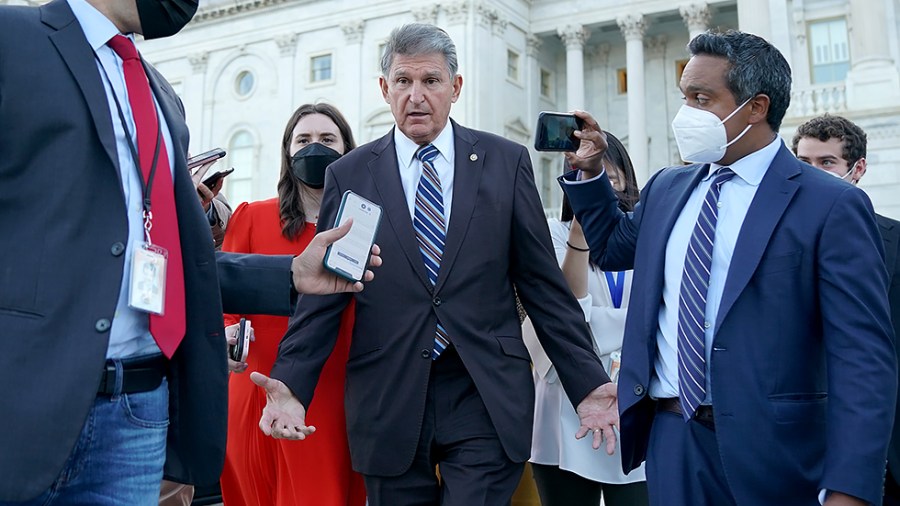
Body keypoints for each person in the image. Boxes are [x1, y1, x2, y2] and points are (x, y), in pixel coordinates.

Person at [0, 0, 381, 503]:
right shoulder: (13, 36)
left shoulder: (160, 95)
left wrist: (290, 273)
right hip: (27, 397)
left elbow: (179, 259)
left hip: (139, 406)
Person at [250, 23, 618, 506]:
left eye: (431, 81)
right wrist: (293, 384)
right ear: (385, 89)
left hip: (484, 390)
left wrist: (588, 383)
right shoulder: (352, 173)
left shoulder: (503, 162)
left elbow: (542, 286)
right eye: (403, 81)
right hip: (389, 394)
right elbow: (331, 288)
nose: (416, 96)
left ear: (456, 87)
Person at [559, 30, 896, 506]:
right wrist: (590, 174)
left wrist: (851, 486)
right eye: (684, 97)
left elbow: (863, 357)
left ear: (756, 107)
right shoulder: (668, 188)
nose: (686, 114)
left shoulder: (831, 204)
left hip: (779, 452)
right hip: (673, 438)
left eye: (702, 98)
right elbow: (613, 249)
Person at [220, 103, 367, 506]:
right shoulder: (251, 218)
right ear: (287, 152)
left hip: (335, 392)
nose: (314, 148)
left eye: (327, 140)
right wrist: (227, 332)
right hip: (255, 390)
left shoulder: (364, 229)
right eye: (303, 140)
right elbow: (225, 300)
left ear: (347, 150)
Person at [527, 132, 648, 506]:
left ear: (626, 178)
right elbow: (566, 311)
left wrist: (599, 324)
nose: (602, 190)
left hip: (633, 395)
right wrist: (581, 234)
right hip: (567, 398)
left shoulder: (645, 234)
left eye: (610, 180)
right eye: (586, 179)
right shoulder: (553, 233)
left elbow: (654, 314)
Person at [790, 114, 900, 506]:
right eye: (804, 164)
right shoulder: (773, 244)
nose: (814, 174)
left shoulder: (896, 240)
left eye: (827, 163)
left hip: (881, 442)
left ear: (857, 169)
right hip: (797, 439)